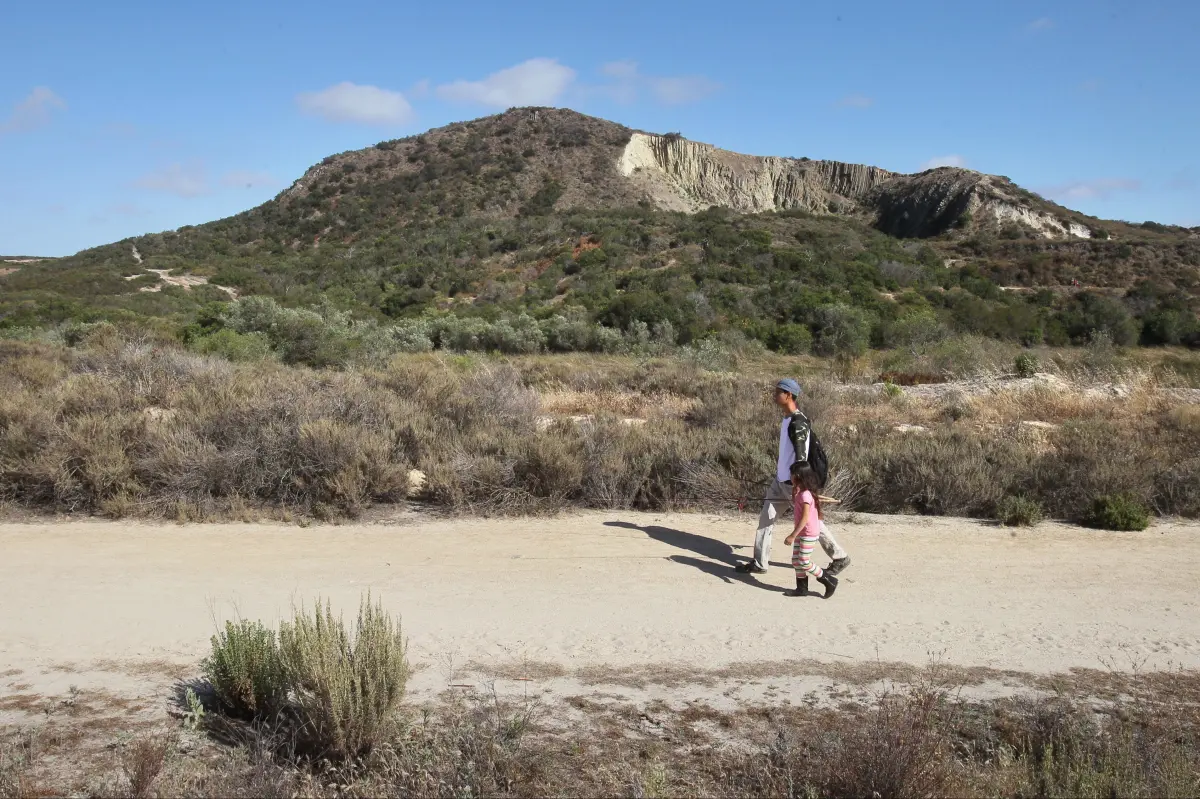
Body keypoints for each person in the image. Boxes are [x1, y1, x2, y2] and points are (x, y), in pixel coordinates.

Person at [735, 378, 851, 577]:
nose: (774, 394)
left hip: (793, 483)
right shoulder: (787, 419)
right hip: (780, 481)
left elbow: (801, 456)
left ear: (789, 395)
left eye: (778, 391)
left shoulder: (798, 422)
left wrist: (799, 484)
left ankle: (839, 556)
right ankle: (760, 562)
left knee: (811, 521)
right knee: (766, 519)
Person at [784, 464, 839, 598]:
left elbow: (805, 518)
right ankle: (802, 588)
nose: (789, 477)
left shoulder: (805, 495)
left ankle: (828, 580)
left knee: (803, 561)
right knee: (796, 561)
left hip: (808, 532)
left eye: (791, 474)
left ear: (797, 476)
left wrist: (792, 535)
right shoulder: (801, 492)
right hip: (802, 532)